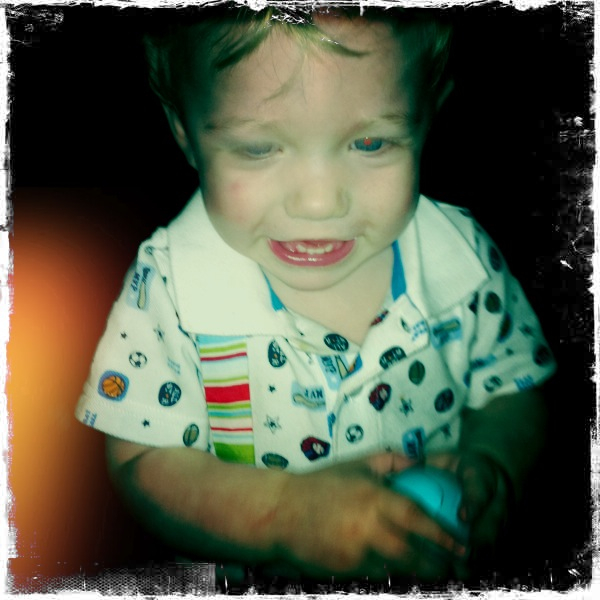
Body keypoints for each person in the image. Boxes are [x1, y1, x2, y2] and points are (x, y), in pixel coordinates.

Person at [75, 4, 556, 584]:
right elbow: (143, 459)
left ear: (427, 114)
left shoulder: (463, 262)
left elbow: (515, 387)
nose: (320, 203)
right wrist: (284, 515)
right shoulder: (171, 292)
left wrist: (495, 463)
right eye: (258, 148)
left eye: (371, 142)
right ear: (186, 132)